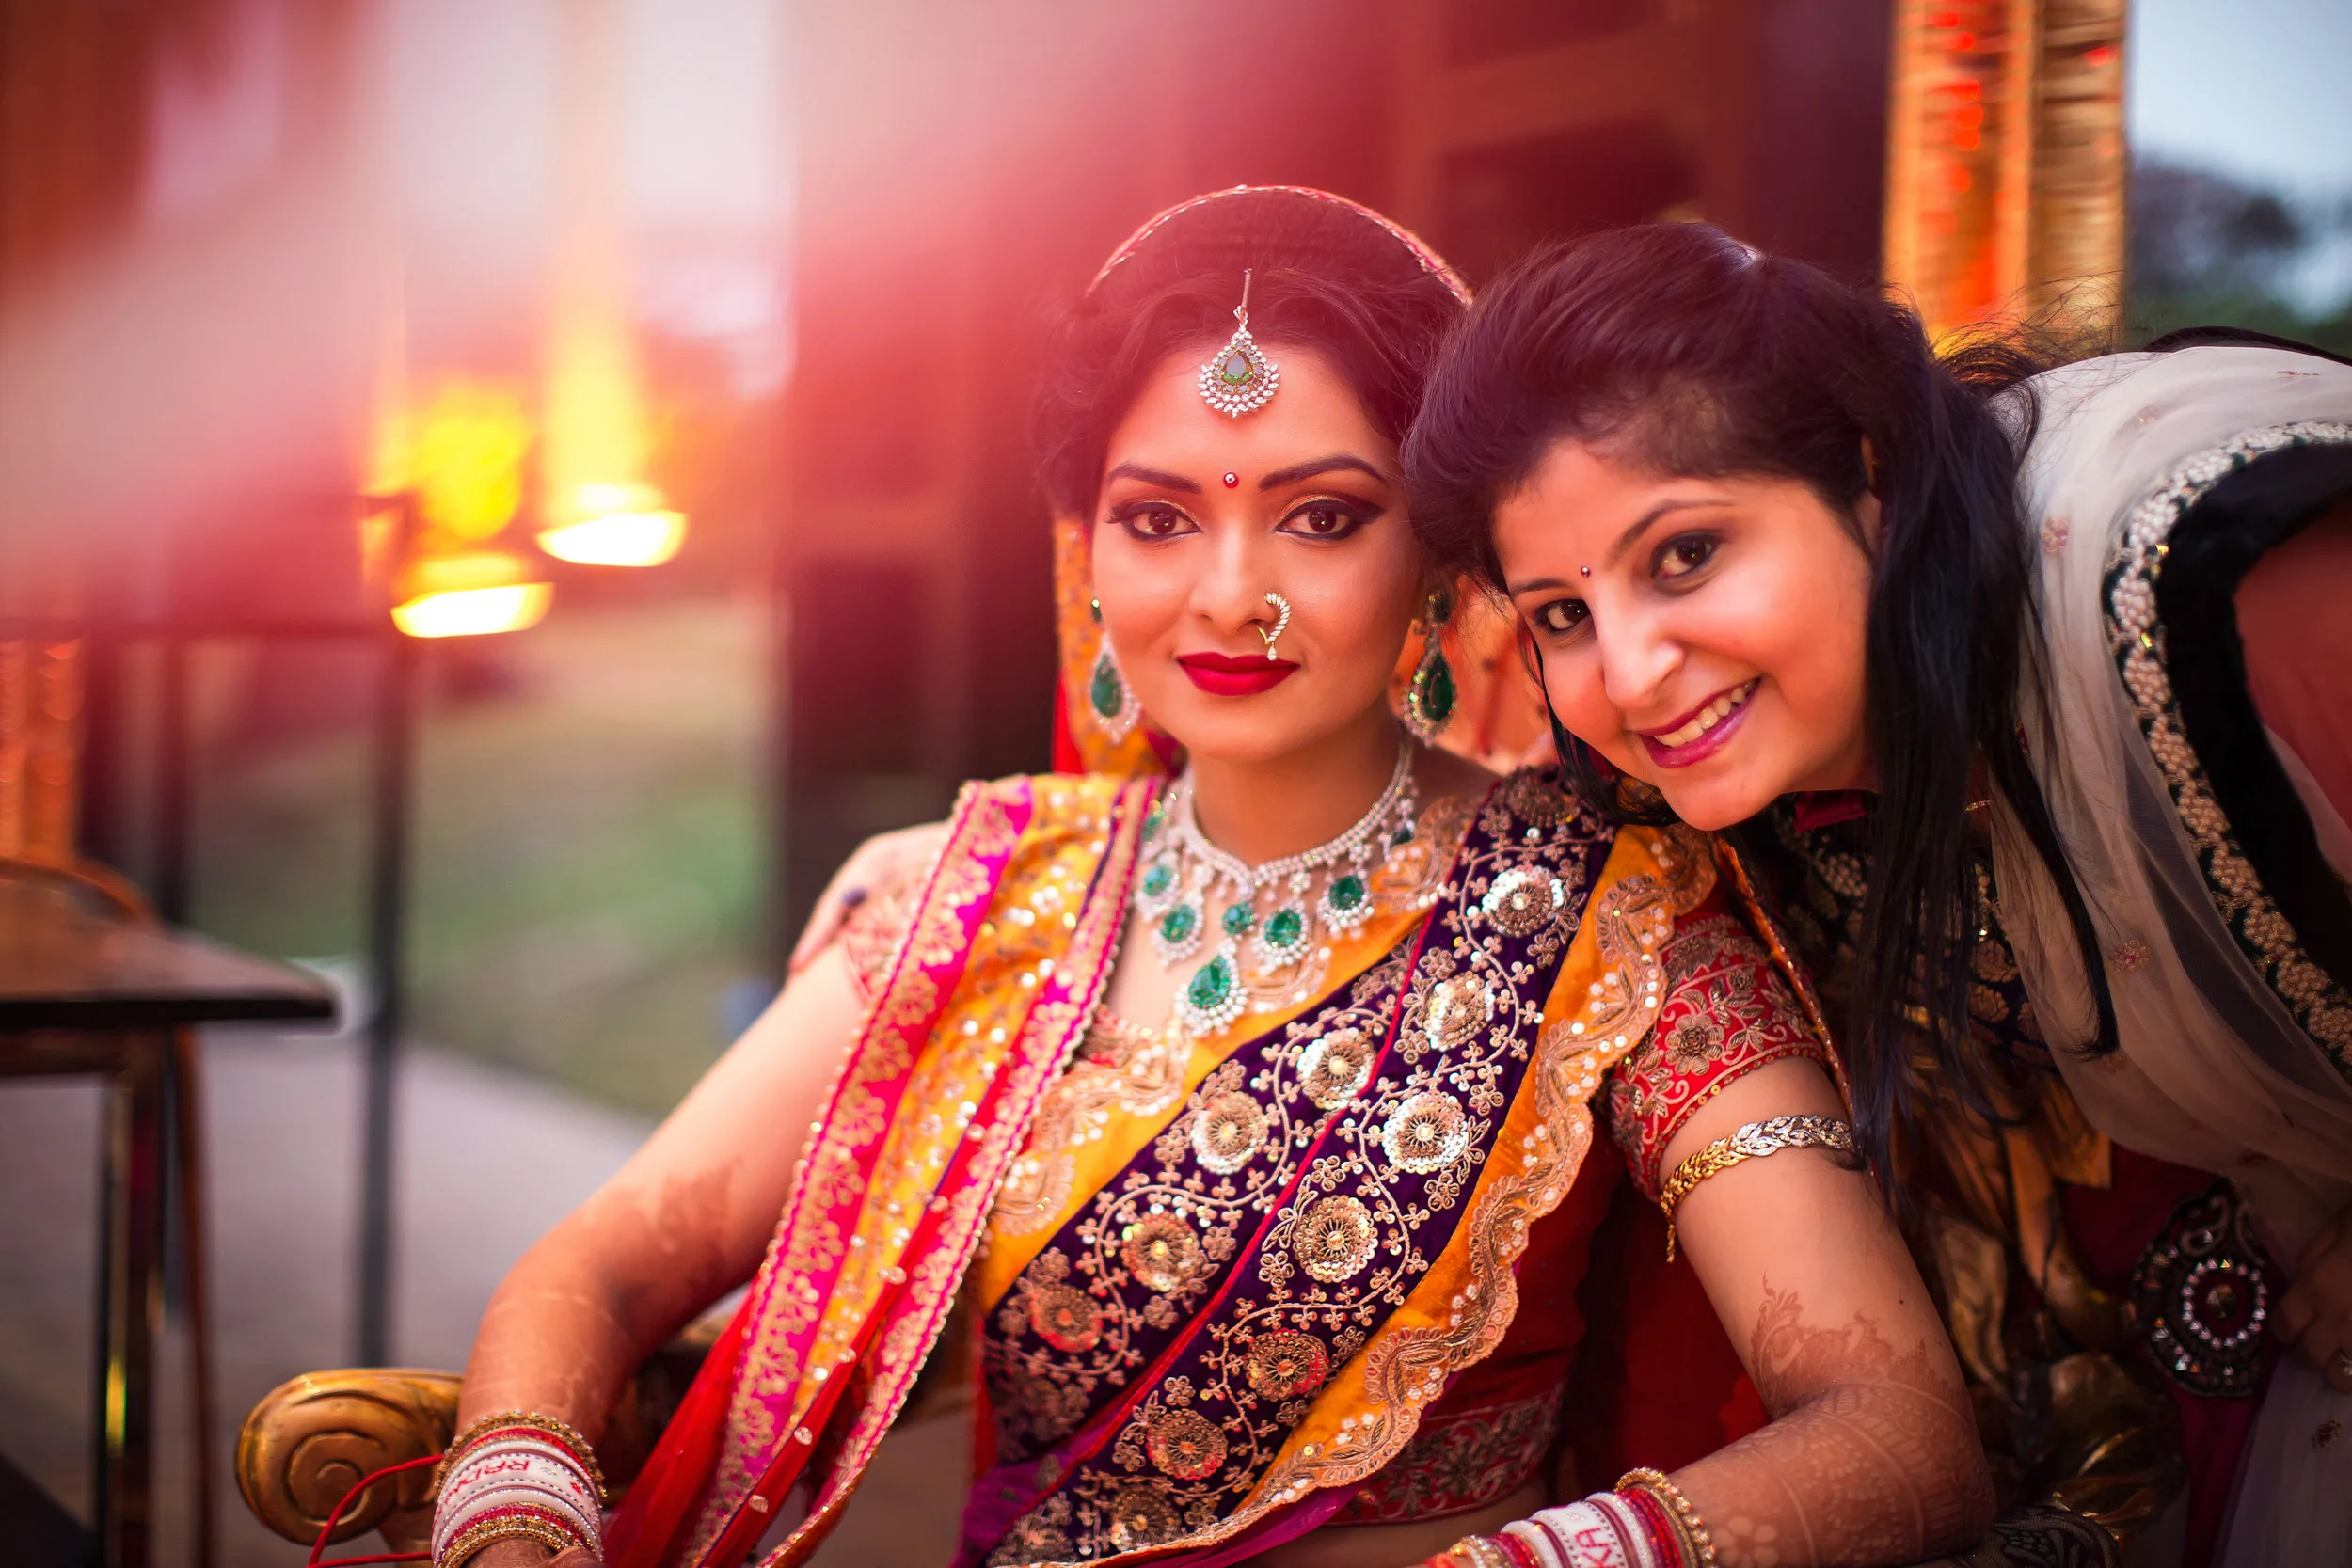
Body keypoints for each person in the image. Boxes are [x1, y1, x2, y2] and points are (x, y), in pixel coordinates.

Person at [429, 190, 1994, 1568]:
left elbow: (1897, 1433)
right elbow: (611, 1259)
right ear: (1087, 555)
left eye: (1322, 517)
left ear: (1443, 561)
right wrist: (519, 1517)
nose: (1229, 596)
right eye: (1159, 518)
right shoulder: (972, 893)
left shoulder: (1612, 916)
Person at [1403, 219, 2352, 1566]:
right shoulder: (1748, 803)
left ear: (1869, 473)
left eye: (1683, 555)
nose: (1630, 672)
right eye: (1561, 611)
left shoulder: (2217, 585)